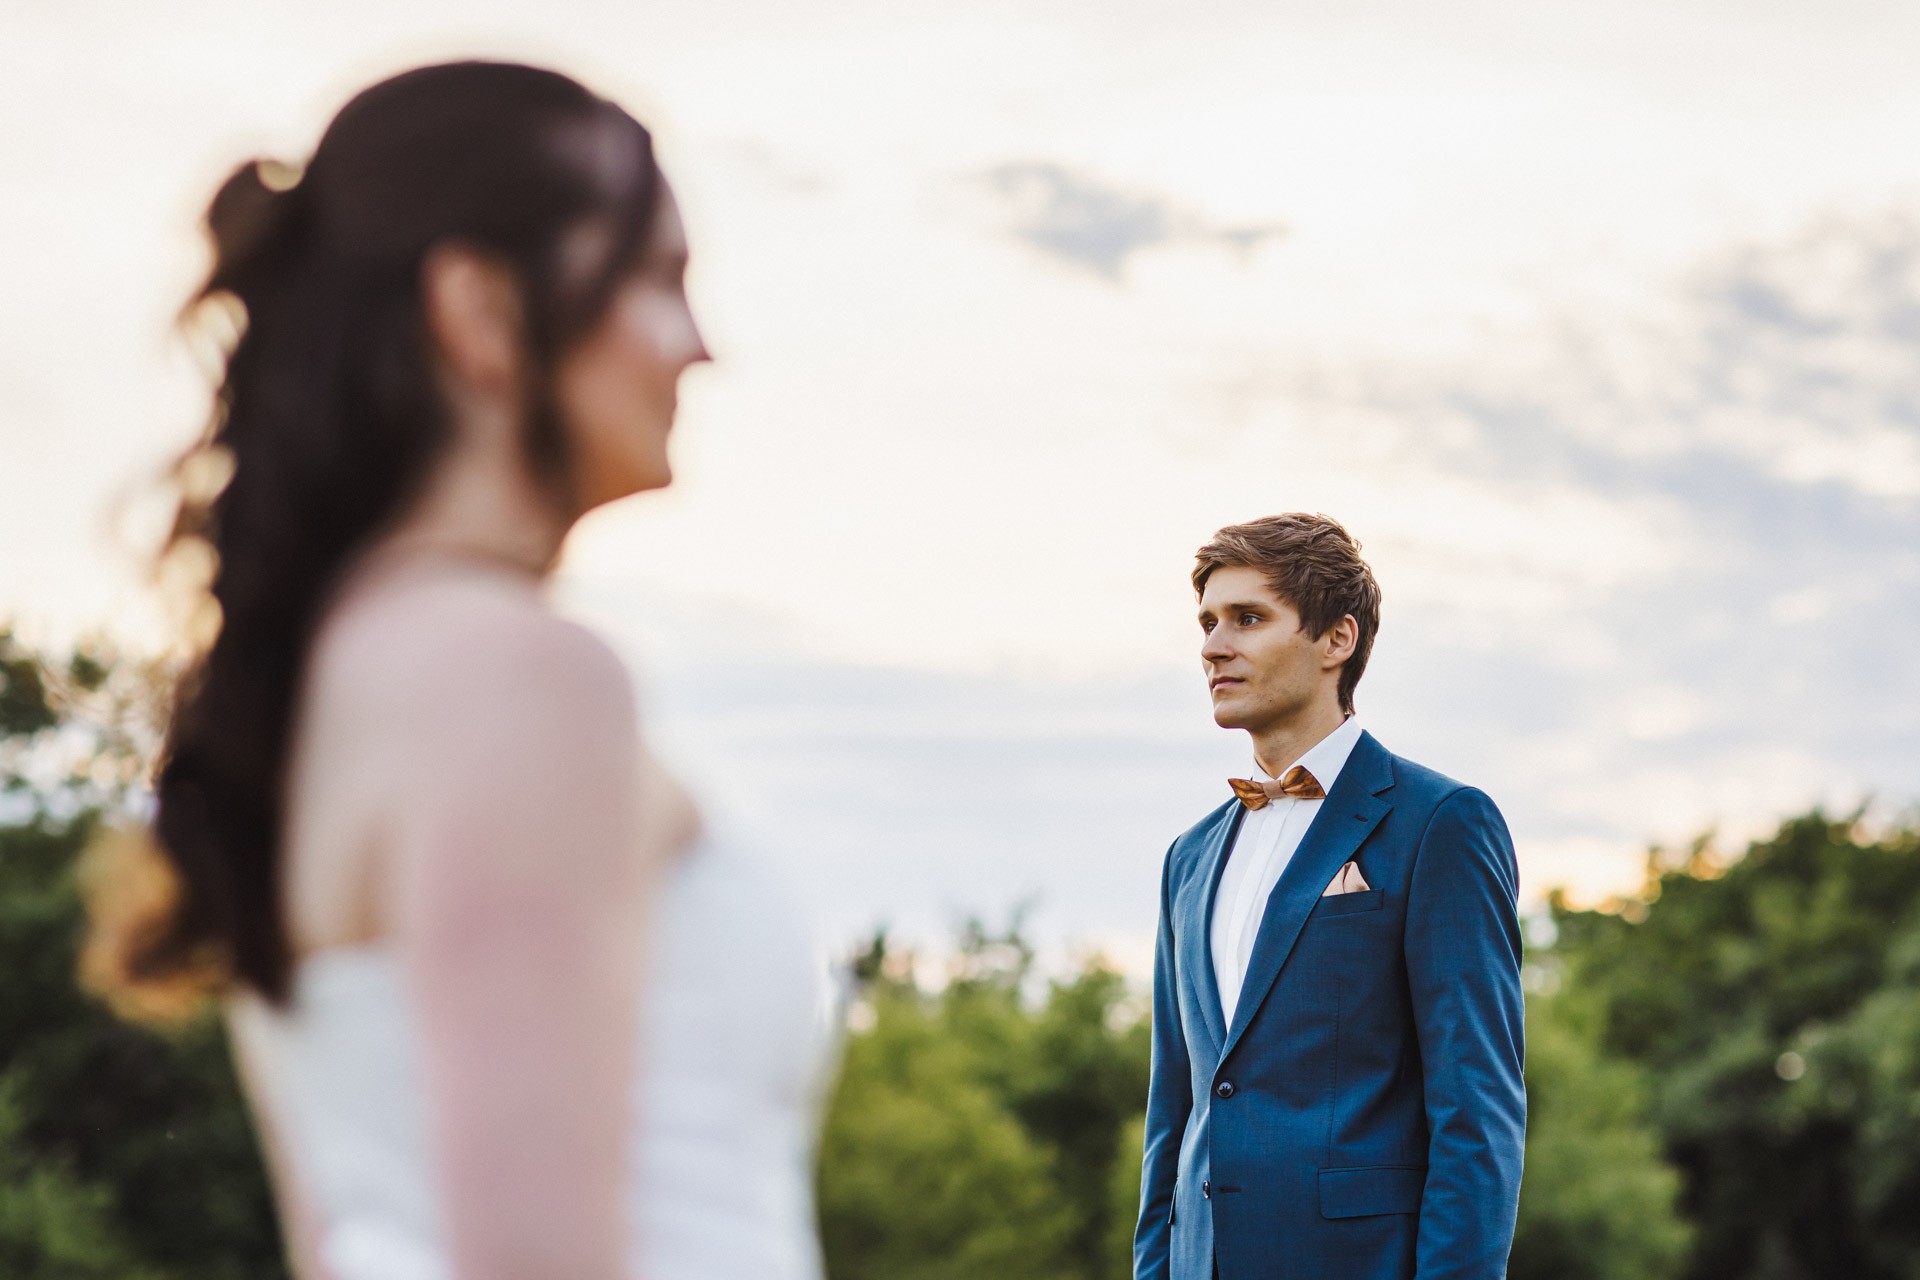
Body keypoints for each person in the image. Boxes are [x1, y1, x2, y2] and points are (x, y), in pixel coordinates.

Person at [87, 61, 834, 1280]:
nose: (701, 347)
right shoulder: (518, 678)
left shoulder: (315, 693)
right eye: (658, 278)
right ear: (479, 310)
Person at [1132, 514, 1526, 1280]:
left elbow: (1477, 1114)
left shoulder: (1440, 823)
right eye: (1208, 622)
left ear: (1336, 640)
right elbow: (1171, 1117)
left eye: (1249, 619)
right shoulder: (1188, 859)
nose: (1214, 646)